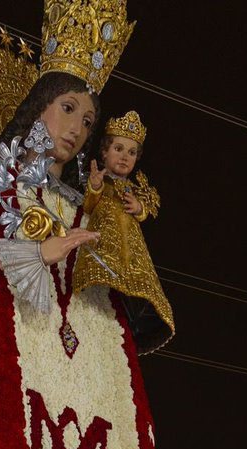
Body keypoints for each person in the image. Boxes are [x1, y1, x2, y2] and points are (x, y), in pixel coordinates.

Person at [71, 110, 173, 353]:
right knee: (103, 285)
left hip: (132, 245)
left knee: (136, 285)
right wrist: (95, 187)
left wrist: (138, 208)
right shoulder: (99, 180)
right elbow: (89, 206)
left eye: (131, 152)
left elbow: (144, 212)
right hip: (104, 239)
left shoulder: (133, 189)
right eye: (118, 149)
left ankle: (133, 323)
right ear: (104, 152)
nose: (125, 157)